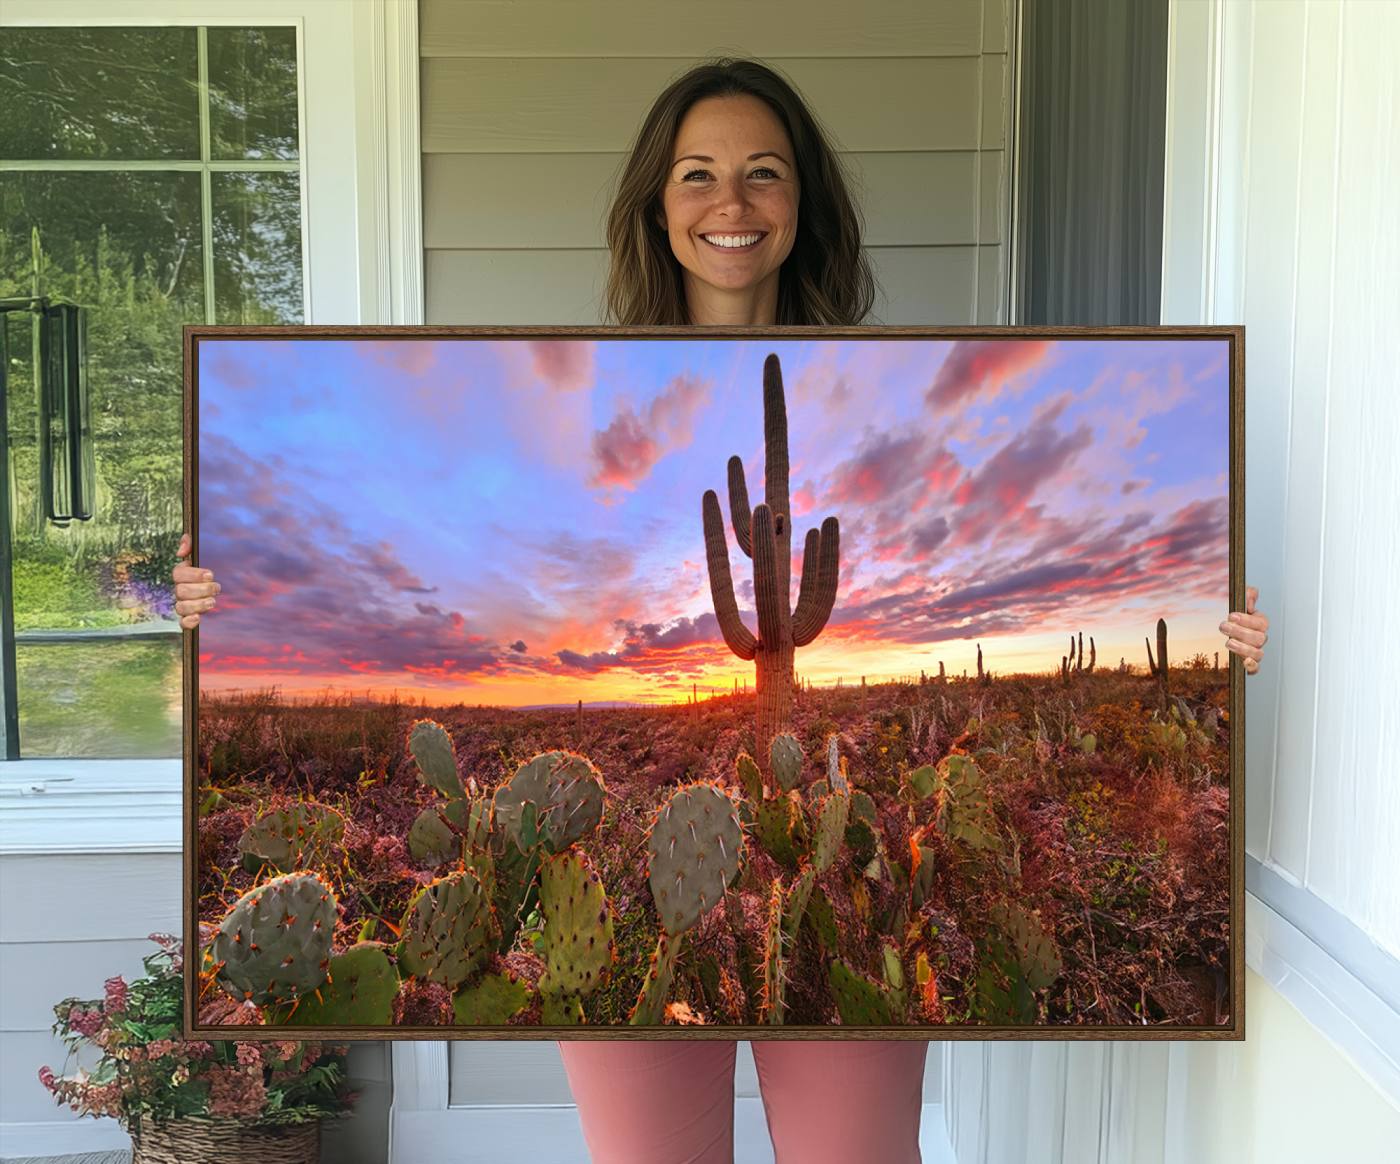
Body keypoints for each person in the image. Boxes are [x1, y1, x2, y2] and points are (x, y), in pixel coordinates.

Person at [173, 57, 1270, 1164]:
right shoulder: (589, 369)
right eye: (696, 174)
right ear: (658, 203)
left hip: (819, 865)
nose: (729, 203)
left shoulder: (894, 367)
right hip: (654, 901)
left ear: (802, 204)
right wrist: (213, 599)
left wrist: (1219, 647)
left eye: (763, 173)